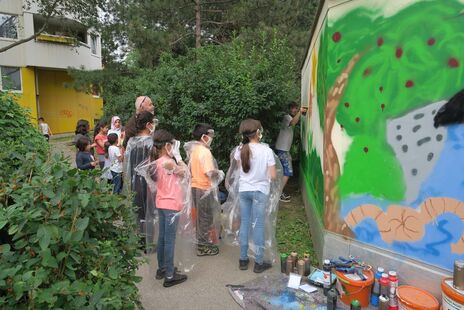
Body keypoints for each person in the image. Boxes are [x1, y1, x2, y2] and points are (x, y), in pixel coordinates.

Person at [147, 129, 188, 287]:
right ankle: (170, 275)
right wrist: (178, 157)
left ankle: (162, 268)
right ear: (166, 146)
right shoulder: (169, 162)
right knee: (169, 240)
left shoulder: (156, 162)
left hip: (162, 203)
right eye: (172, 144)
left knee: (163, 237)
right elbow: (186, 173)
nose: (174, 146)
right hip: (171, 205)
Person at [235, 119, 276, 273]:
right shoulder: (266, 151)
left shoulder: (241, 150)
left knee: (245, 223)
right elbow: (272, 175)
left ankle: (243, 260)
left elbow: (241, 169)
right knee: (258, 225)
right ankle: (259, 262)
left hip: (244, 190)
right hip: (260, 191)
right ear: (258, 132)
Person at [185, 123, 223, 256]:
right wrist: (219, 173)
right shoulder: (205, 152)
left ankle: (201, 242)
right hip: (204, 188)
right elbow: (209, 172)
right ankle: (203, 247)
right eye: (210, 135)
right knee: (205, 218)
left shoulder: (194, 150)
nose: (211, 137)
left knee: (200, 217)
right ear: (203, 137)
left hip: (195, 187)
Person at [123, 111, 157, 248]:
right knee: (149, 211)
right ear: (148, 124)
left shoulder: (131, 142)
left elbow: (127, 164)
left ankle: (140, 241)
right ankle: (148, 242)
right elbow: (154, 168)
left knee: (139, 211)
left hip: (134, 182)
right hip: (148, 183)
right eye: (153, 123)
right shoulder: (151, 143)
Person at [274, 102, 307, 202]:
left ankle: (278, 192)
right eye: (294, 108)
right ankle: (279, 194)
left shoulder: (289, 117)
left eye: (296, 108)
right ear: (289, 109)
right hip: (283, 150)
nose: (295, 110)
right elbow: (293, 122)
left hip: (283, 149)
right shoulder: (286, 117)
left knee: (283, 172)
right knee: (287, 172)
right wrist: (301, 112)